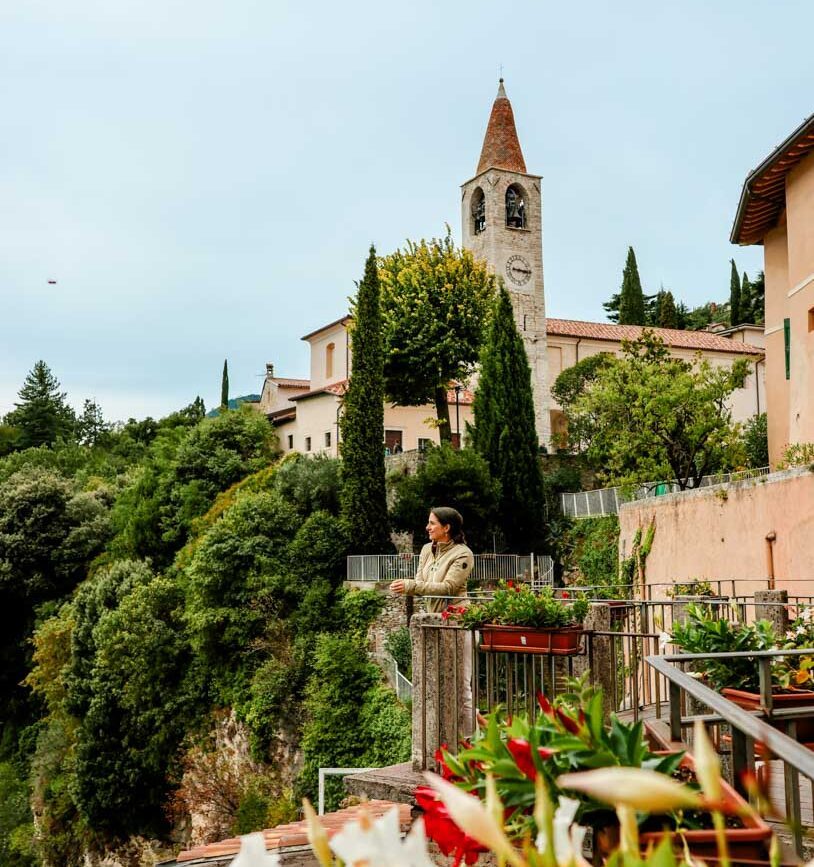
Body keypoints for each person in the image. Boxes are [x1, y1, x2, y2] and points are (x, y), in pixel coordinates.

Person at [390, 506, 474, 613]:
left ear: (446, 528)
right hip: (432, 616)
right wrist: (404, 586)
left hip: (455, 616)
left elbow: (449, 588)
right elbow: (419, 585)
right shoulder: (426, 549)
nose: (427, 527)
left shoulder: (463, 553)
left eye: (432, 523)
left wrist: (410, 586)